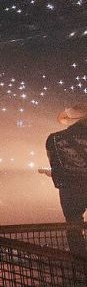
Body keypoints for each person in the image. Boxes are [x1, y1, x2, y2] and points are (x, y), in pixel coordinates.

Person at [45, 104, 87, 257]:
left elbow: (56, 165)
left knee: (73, 224)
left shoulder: (54, 139)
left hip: (70, 189)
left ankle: (80, 262)